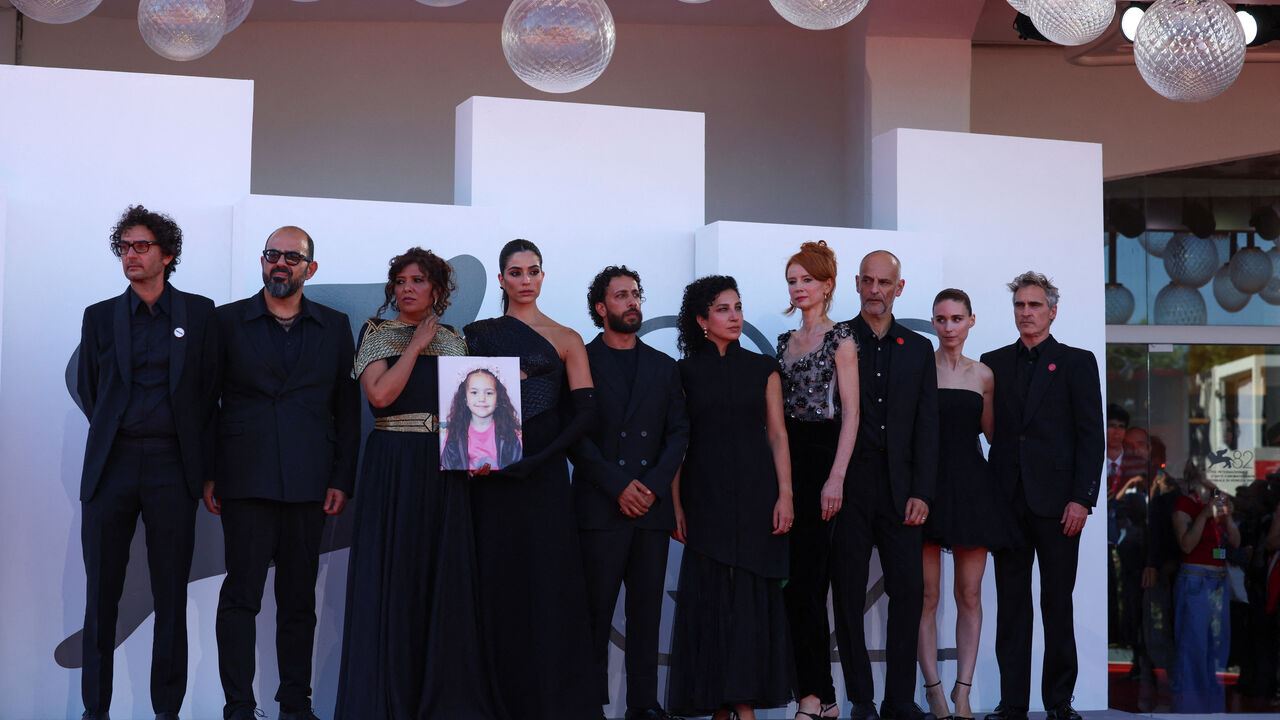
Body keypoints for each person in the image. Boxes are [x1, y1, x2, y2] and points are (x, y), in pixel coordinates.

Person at [334, 247, 504, 719]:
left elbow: (472, 411)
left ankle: (440, 699)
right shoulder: (375, 332)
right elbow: (380, 397)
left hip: (444, 471)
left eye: (418, 281)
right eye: (401, 281)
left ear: (437, 289)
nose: (408, 288)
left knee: (439, 576)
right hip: (392, 461)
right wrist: (414, 345)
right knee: (394, 573)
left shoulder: (455, 341)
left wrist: (483, 452)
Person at [206, 226, 361, 720]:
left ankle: (296, 703)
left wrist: (341, 477)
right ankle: (238, 708)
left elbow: (346, 407)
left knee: (298, 602)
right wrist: (209, 473)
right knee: (241, 598)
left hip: (309, 482)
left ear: (310, 269)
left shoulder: (335, 326)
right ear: (262, 261)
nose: (281, 263)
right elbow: (204, 402)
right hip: (244, 478)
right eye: (273, 254)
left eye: (292, 258)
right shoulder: (226, 322)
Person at [76, 205, 219, 720]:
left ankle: (166, 713)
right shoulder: (98, 317)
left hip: (171, 468)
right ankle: (96, 712)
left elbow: (209, 395)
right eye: (124, 247)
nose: (130, 256)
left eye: (141, 247)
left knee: (170, 599)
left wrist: (204, 470)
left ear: (168, 255)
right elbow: (94, 391)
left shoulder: (200, 315)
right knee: (101, 600)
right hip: (111, 467)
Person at [463, 239, 600, 720]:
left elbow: (585, 414)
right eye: (515, 272)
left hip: (543, 475)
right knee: (494, 579)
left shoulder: (567, 338)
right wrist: (489, 458)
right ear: (501, 279)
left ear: (543, 277)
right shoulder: (476, 333)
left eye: (533, 271)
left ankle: (549, 699)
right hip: (490, 471)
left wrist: (541, 459)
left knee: (547, 582)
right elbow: (465, 404)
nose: (525, 279)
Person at [667, 274, 795, 720]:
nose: (735, 316)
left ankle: (745, 705)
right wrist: (676, 504)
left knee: (748, 602)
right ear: (702, 319)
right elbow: (677, 443)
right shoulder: (683, 372)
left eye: (737, 307)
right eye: (723, 309)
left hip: (759, 496)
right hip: (705, 497)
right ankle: (721, 705)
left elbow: (778, 436)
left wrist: (786, 495)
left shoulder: (763, 368)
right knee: (712, 601)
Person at [981, 271, 1103, 720]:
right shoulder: (991, 361)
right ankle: (1012, 703)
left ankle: (1058, 703)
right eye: (1020, 306)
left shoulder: (1077, 362)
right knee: (1011, 606)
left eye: (1034, 305)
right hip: (1008, 501)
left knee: (1057, 604)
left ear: (1053, 311)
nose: (1026, 313)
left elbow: (1092, 437)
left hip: (1059, 506)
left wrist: (1082, 498)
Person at [571, 265, 689, 720]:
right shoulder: (579, 360)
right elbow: (575, 437)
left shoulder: (664, 366)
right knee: (593, 614)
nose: (632, 302)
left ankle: (643, 704)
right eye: (621, 296)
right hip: (600, 506)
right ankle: (588, 706)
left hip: (650, 511)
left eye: (635, 294)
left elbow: (678, 434)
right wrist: (618, 485)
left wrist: (652, 489)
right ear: (601, 308)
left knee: (647, 615)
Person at [830, 250, 938, 720]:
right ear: (856, 284)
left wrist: (923, 491)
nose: (876, 290)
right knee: (847, 593)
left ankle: (898, 700)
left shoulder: (917, 348)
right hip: (849, 487)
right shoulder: (836, 339)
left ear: (900, 287)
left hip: (902, 491)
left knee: (909, 594)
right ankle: (860, 701)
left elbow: (927, 426)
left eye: (885, 283)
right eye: (868, 282)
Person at [774, 241, 859, 720]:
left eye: (807, 279)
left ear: (827, 284)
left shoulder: (841, 338)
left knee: (808, 585)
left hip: (825, 459)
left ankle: (816, 696)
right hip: (789, 464)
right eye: (792, 280)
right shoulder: (786, 341)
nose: (799, 287)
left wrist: (837, 478)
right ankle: (820, 696)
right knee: (792, 587)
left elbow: (851, 417)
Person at [917, 288, 1010, 720]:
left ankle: (963, 692)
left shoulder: (984, 375)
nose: (949, 327)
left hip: (972, 488)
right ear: (933, 323)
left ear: (971, 321)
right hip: (925, 488)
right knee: (926, 595)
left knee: (969, 594)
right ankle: (933, 690)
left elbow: (993, 438)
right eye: (941, 319)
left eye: (956, 318)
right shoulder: (920, 369)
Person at [1169, 477, 1240, 712]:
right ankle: (1189, 707)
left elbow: (1236, 542)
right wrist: (1203, 516)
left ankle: (1212, 706)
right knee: (1192, 646)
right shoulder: (1184, 505)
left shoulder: (1221, 506)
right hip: (1195, 580)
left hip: (1218, 581)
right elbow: (1187, 545)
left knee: (1217, 647)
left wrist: (1226, 516)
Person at [441, 367, 523, 471]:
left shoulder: (510, 435)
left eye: (489, 393)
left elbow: (518, 468)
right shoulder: (454, 434)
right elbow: (447, 467)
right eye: (474, 392)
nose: (481, 399)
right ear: (465, 399)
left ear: (498, 399)